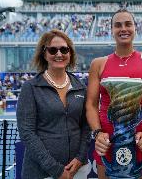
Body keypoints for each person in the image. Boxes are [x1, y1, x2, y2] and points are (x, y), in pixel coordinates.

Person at [86, 8, 142, 179]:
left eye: (128, 24)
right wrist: (97, 134)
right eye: (118, 25)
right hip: (107, 142)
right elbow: (91, 104)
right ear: (112, 30)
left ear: (135, 28)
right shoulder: (98, 64)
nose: (123, 29)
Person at [16, 29, 90, 179]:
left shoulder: (81, 86)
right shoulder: (30, 87)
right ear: (44, 54)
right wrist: (56, 170)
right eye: (52, 50)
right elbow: (27, 133)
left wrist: (80, 158)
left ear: (70, 53)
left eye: (64, 49)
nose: (59, 54)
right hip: (40, 172)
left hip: (77, 170)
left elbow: (86, 127)